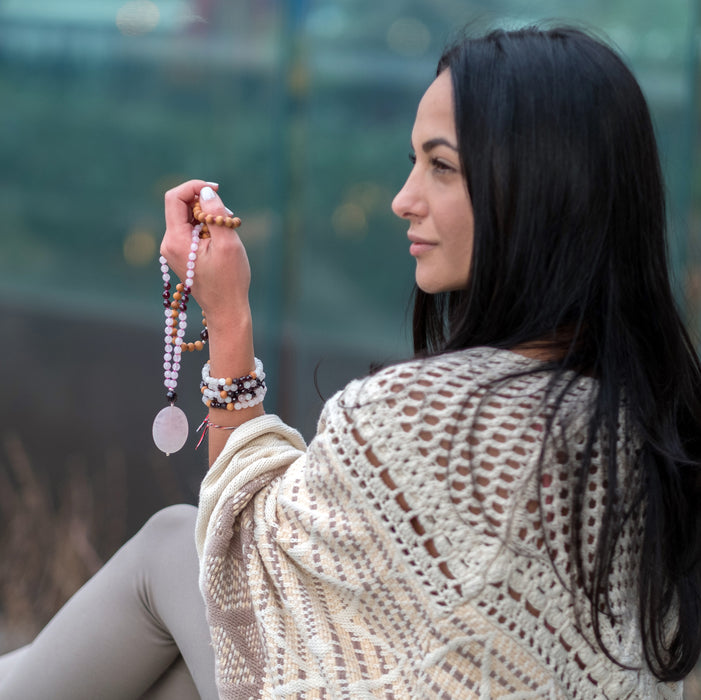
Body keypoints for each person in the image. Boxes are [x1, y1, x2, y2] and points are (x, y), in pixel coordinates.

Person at [1, 24, 701, 699]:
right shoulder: (650, 420)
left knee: (172, 542)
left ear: (544, 188)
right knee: (176, 677)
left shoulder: (434, 418)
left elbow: (242, 558)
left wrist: (226, 316)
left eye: (441, 166)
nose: (403, 200)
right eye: (412, 163)